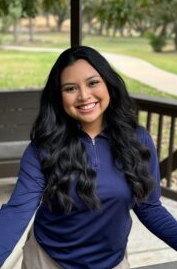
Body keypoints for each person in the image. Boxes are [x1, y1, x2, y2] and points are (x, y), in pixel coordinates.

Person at [0, 46, 177, 269]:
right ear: (59, 96)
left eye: (93, 83)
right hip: (48, 260)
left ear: (108, 84)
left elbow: (149, 207)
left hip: (111, 262)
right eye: (71, 88)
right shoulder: (43, 147)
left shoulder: (138, 140)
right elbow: (18, 210)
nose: (84, 96)